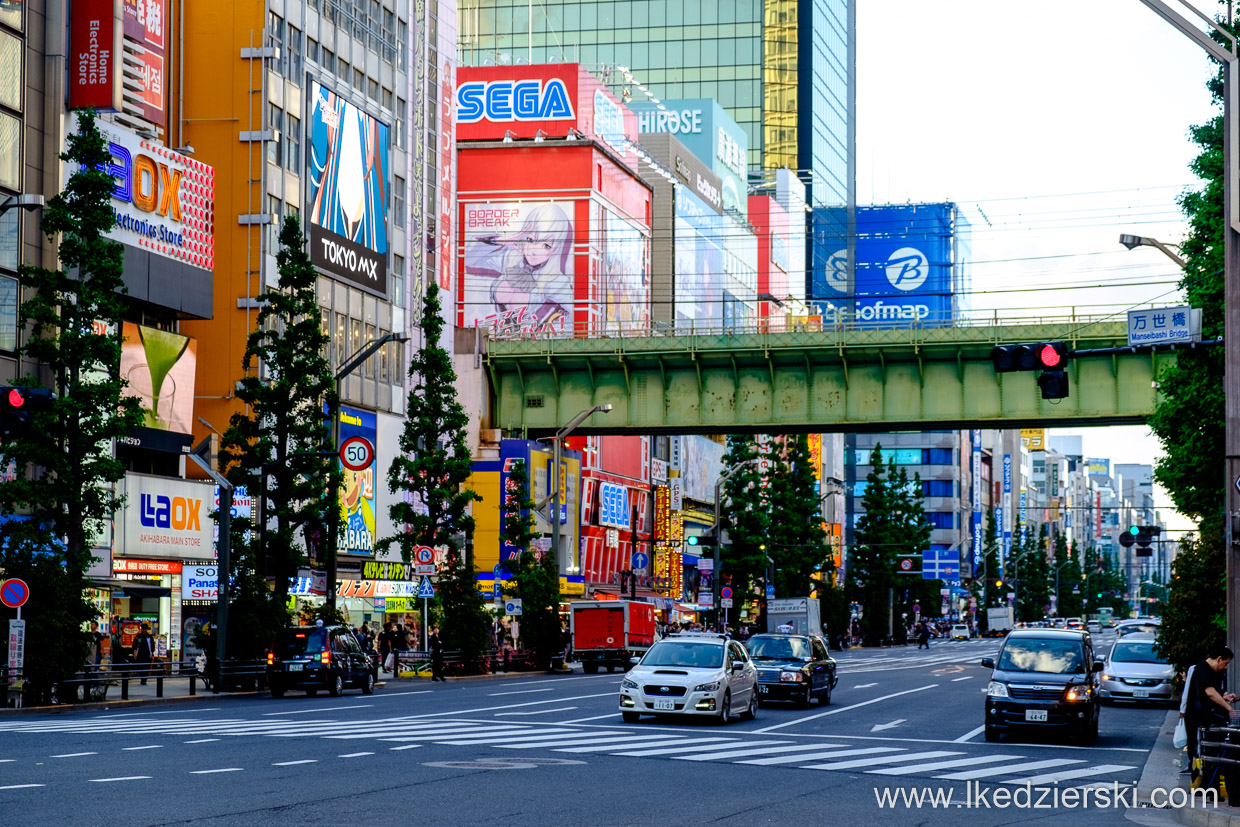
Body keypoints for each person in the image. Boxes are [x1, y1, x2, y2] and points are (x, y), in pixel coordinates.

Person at [1185, 645, 1237, 785]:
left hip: (1207, 715)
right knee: (1203, 752)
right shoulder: (1202, 669)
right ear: (1219, 659)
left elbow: (1215, 693)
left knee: (1212, 752)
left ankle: (1210, 785)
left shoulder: (1214, 672)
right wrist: (1228, 708)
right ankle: (1203, 784)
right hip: (1199, 717)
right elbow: (1210, 693)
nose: (1226, 667)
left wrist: (1225, 698)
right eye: (1226, 663)